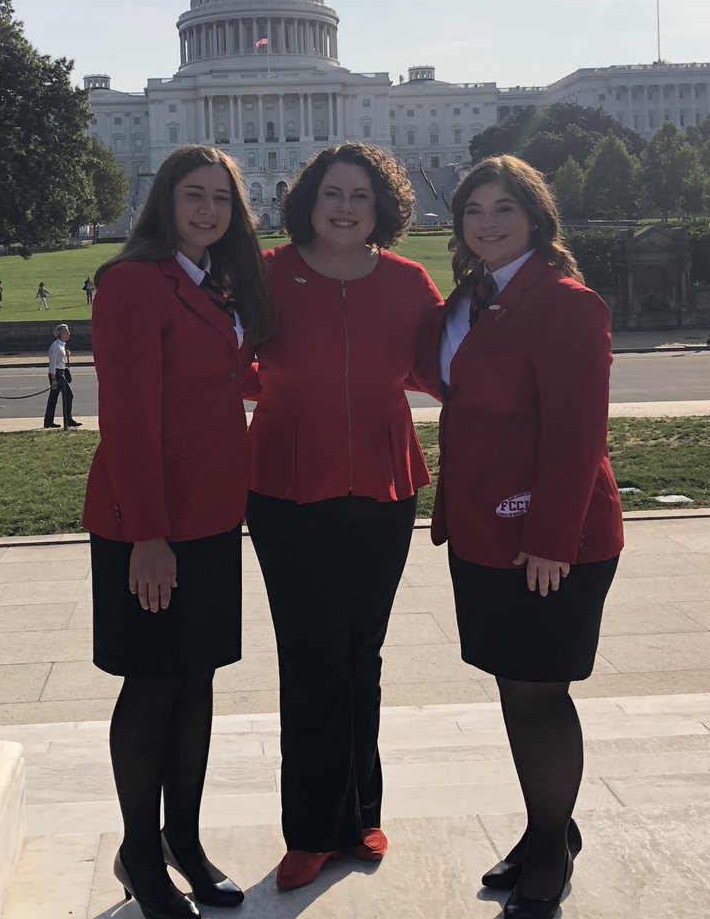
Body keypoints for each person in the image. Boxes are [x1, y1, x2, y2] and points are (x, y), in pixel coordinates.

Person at [244, 143, 444, 890]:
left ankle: (359, 815)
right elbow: (230, 360)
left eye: (361, 196)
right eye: (334, 193)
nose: (346, 207)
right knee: (310, 655)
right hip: (288, 488)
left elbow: (439, 369)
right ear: (310, 199)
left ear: (382, 206)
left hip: (385, 487)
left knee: (362, 653)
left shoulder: (408, 281)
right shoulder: (267, 274)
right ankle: (310, 830)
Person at [82, 145, 273, 919]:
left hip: (214, 515)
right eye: (193, 196)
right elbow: (128, 420)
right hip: (149, 519)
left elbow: (233, 378)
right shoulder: (133, 284)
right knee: (153, 683)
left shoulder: (216, 285)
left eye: (221, 199)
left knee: (198, 680)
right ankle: (139, 849)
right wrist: (148, 537)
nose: (208, 210)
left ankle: (183, 841)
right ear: (163, 203)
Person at [433, 155, 623, 919]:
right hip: (485, 526)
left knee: (541, 695)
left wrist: (552, 539)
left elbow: (579, 436)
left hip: (551, 535)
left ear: (536, 216)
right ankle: (549, 826)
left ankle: (551, 848)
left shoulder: (566, 302)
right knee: (516, 691)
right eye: (474, 210)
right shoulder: (474, 298)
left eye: (502, 208)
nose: (486, 222)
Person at [44, 324, 80, 429]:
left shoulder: (62, 345)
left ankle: (48, 421)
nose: (68, 333)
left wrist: (66, 354)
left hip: (61, 372)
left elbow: (60, 358)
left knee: (53, 398)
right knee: (68, 396)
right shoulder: (56, 346)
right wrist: (54, 379)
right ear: (61, 333)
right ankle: (68, 420)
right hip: (57, 374)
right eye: (66, 331)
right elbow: (52, 364)